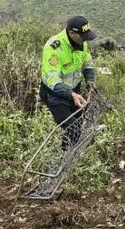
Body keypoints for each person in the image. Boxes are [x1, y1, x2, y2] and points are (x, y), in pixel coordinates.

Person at [39, 16, 97, 150]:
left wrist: (90, 81)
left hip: (74, 91)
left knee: (78, 122)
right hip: (55, 94)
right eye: (83, 36)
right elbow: (53, 82)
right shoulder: (54, 48)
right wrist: (71, 94)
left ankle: (70, 151)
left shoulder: (82, 43)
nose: (85, 40)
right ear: (71, 33)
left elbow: (87, 64)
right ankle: (64, 157)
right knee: (73, 127)